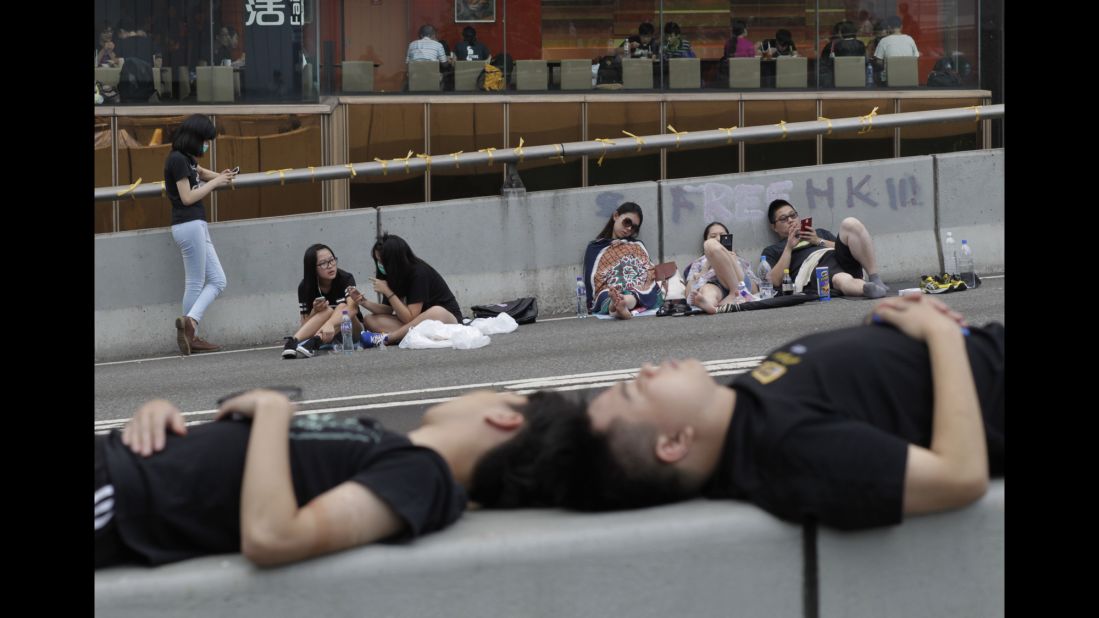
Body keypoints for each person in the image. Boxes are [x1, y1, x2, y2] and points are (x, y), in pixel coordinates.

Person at [575, 293, 1004, 531]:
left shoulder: (743, 412)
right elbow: (958, 477)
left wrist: (883, 323)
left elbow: (861, 392)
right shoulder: (787, 449)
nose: (645, 371)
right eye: (635, 390)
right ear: (674, 443)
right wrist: (940, 333)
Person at [95, 387, 591, 568]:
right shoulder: (389, 445)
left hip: (120, 496)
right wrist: (161, 416)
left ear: (506, 418)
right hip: (120, 464)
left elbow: (273, 536)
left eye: (496, 390)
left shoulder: (423, 475)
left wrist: (271, 409)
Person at [165, 114, 236, 355]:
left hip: (194, 224)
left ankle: (190, 327)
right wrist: (216, 183)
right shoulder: (177, 160)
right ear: (195, 138)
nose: (207, 144)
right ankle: (190, 331)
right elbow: (187, 197)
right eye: (205, 140)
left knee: (218, 280)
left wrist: (221, 176)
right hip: (189, 224)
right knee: (196, 282)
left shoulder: (185, 158)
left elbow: (202, 172)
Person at [347, 233, 464, 348]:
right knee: (370, 320)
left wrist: (388, 291)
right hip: (416, 325)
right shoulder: (391, 274)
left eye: (382, 261)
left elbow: (410, 318)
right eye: (377, 260)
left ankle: (387, 338)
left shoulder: (419, 273)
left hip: (447, 321)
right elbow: (389, 310)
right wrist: (363, 302)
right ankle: (402, 336)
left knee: (436, 311)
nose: (379, 265)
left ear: (394, 261)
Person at [761, 199, 890, 298]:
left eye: (793, 216)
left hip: (838, 257)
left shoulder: (820, 233)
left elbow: (849, 247)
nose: (790, 220)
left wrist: (818, 241)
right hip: (815, 268)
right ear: (774, 227)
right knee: (840, 278)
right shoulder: (773, 250)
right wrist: (789, 247)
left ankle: (874, 278)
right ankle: (865, 289)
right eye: (783, 219)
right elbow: (774, 281)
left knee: (850, 223)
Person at [281, 244, 366, 359]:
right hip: (323, 333)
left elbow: (352, 308)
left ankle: (313, 342)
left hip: (351, 331)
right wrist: (315, 311)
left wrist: (330, 324)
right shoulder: (305, 286)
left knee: (341, 307)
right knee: (326, 310)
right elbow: (304, 325)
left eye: (332, 260)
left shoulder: (345, 278)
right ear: (312, 268)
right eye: (323, 263)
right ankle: (293, 342)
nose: (330, 266)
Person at [582, 202, 664, 320]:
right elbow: (593, 278)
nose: (629, 229)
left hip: (636, 283)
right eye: (627, 222)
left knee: (644, 289)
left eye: (634, 227)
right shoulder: (596, 247)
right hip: (610, 287)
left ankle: (621, 304)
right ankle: (617, 305)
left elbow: (648, 268)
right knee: (605, 294)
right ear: (616, 216)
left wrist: (626, 246)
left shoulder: (637, 245)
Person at [683, 222, 759, 314]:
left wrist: (734, 262)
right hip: (716, 286)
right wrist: (705, 268)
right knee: (707, 291)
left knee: (710, 244)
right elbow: (688, 294)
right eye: (713, 236)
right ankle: (710, 306)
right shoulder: (699, 262)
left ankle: (734, 292)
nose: (718, 239)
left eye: (722, 235)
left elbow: (754, 289)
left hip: (740, 286)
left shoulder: (740, 259)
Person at [872, 15, 919, 80]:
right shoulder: (910, 39)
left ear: (889, 27)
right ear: (901, 27)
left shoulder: (884, 41)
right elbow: (916, 58)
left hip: (890, 79)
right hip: (908, 78)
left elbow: (878, 61)